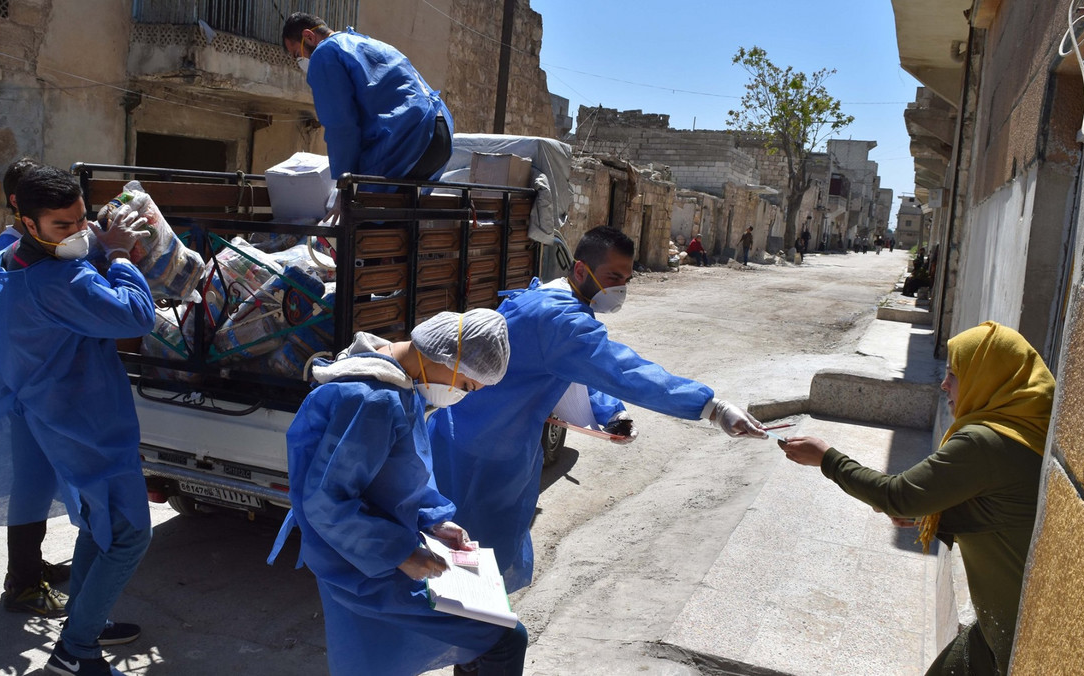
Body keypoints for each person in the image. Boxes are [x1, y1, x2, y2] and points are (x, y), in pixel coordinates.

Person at [428, 226, 767, 593]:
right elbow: (624, 371)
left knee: (452, 551)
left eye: (626, 279)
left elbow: (572, 370)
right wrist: (711, 407)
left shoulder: (544, 298)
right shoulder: (562, 320)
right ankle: (462, 640)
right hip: (484, 455)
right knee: (470, 565)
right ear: (579, 270)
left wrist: (611, 412)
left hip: (464, 433)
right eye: (612, 277)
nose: (620, 288)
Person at [779, 321, 1052, 676]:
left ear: (986, 377)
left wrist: (827, 458)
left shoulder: (984, 442)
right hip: (1001, 623)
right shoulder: (1030, 428)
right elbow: (1004, 508)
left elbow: (898, 496)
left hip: (1013, 638)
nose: (944, 384)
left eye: (954, 373)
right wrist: (930, 515)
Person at [268, 309, 527, 676]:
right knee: (501, 638)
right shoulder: (373, 400)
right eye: (466, 386)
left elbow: (394, 476)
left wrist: (433, 522)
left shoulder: (398, 381)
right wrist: (402, 552)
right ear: (445, 356)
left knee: (384, 655)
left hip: (371, 551)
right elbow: (326, 502)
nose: (460, 396)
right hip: (364, 562)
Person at [0, 166, 155, 676]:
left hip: (54, 413)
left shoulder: (7, 261)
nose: (78, 231)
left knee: (98, 524)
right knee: (128, 535)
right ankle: (76, 652)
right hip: (89, 424)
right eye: (62, 225)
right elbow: (135, 317)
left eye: (82, 219)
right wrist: (118, 255)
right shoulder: (58, 280)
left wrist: (92, 245)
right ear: (26, 221)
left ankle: (86, 619)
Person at [0, 157, 74, 617]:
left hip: (30, 380)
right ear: (20, 205)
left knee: (38, 479)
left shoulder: (30, 243)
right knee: (33, 481)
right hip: (26, 382)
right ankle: (22, 581)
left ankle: (29, 567)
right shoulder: (8, 250)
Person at [282, 13, 454, 184]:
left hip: (409, 137)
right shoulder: (364, 42)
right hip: (441, 132)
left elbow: (341, 125)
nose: (300, 61)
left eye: (297, 53)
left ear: (309, 37)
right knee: (400, 205)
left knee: (362, 202)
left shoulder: (324, 54)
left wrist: (344, 183)